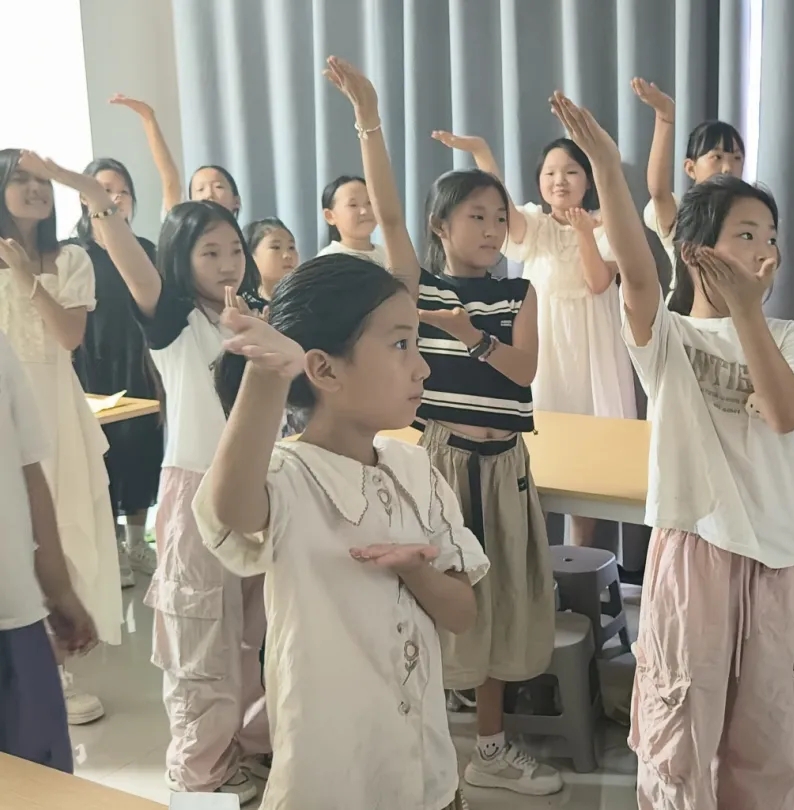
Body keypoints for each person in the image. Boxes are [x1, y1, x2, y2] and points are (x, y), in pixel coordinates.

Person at [549, 93, 794, 809]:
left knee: (765, 725)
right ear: (696, 250)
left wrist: (748, 312)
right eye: (746, 234)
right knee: (682, 722)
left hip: (776, 553)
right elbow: (637, 272)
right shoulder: (668, 337)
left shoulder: (792, 336)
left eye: (771, 236)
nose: (765, 249)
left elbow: (784, 413)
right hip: (695, 549)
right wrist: (606, 167)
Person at [324, 56, 560, 796]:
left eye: (499, 217)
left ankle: (489, 746)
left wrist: (470, 336)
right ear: (441, 225)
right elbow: (390, 217)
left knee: (499, 605)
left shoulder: (519, 292)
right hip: (444, 461)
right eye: (475, 216)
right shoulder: (418, 288)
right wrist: (368, 118)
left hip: (507, 464)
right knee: (431, 599)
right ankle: (420, 737)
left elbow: (522, 372)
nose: (491, 228)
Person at [196, 259, 487, 809]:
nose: (422, 367)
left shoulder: (415, 469)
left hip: (426, 775)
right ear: (325, 370)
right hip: (331, 782)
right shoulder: (290, 476)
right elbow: (232, 507)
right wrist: (267, 373)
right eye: (400, 345)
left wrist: (415, 570)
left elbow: (462, 613)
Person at [73, 176, 268, 800]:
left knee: (256, 636)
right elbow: (131, 262)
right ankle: (199, 778)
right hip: (197, 491)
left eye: (234, 249)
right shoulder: (174, 321)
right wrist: (98, 201)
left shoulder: (254, 316)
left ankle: (247, 751)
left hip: (260, 490)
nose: (227, 263)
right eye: (209, 252)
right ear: (180, 260)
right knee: (199, 641)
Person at [432, 125, 635, 549]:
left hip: (592, 352)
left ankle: (580, 563)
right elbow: (500, 207)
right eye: (550, 173)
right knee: (536, 460)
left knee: (589, 463)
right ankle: (536, 564)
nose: (560, 180)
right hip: (544, 349)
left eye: (571, 172)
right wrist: (482, 153)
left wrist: (584, 232)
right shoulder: (535, 225)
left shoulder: (607, 226)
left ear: (589, 180)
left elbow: (599, 282)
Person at [0, 149, 122, 726]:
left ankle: (63, 667)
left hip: (57, 406)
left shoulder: (71, 257)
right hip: (6, 411)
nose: (35, 189)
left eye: (42, 181)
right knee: (13, 529)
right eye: (19, 180)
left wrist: (27, 278)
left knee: (64, 529)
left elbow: (70, 335)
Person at [0, 329, 99, 773]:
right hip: (12, 611)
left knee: (34, 779)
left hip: (13, 612)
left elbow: (28, 473)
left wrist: (58, 589)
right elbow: (29, 473)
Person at [69, 157, 161, 588]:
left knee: (142, 450)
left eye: (122, 191)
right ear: (85, 198)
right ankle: (112, 547)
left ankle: (137, 542)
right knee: (102, 456)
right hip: (91, 366)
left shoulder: (146, 250)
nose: (115, 198)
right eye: (105, 190)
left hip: (139, 362)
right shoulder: (74, 253)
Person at [632, 77, 745, 290]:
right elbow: (658, 190)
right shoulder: (682, 213)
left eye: (737, 158)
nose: (728, 168)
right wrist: (665, 118)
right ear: (690, 168)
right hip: (686, 308)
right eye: (717, 157)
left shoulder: (750, 214)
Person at [111, 94, 241, 218]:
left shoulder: (249, 233)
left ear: (236, 201)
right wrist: (148, 117)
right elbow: (170, 179)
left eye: (218, 187)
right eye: (200, 189)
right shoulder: (182, 229)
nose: (209, 195)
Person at [316, 175, 387, 265]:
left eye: (369, 202)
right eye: (353, 205)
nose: (364, 211)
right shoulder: (326, 261)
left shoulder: (388, 255)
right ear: (330, 216)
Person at [243, 217, 298, 299]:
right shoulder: (242, 303)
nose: (287, 255)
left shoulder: (306, 299)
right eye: (276, 247)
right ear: (251, 256)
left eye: (291, 247)